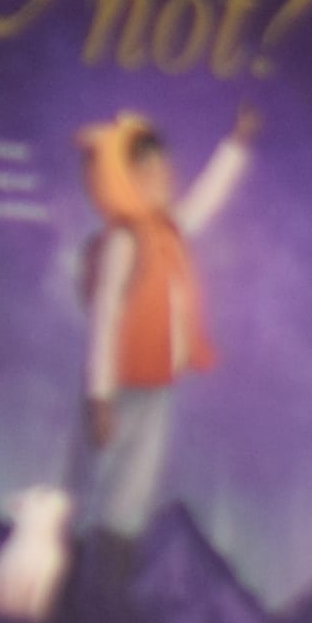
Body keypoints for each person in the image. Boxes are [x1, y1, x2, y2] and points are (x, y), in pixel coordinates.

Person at [71, 102, 257, 541]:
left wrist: (236, 146)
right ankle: (72, 578)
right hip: (120, 385)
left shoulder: (167, 231)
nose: (162, 180)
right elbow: (105, 321)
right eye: (148, 172)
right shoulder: (124, 240)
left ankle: (112, 580)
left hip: (157, 380)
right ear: (127, 179)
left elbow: (206, 201)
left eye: (165, 171)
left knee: (136, 483)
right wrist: (101, 398)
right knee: (98, 475)